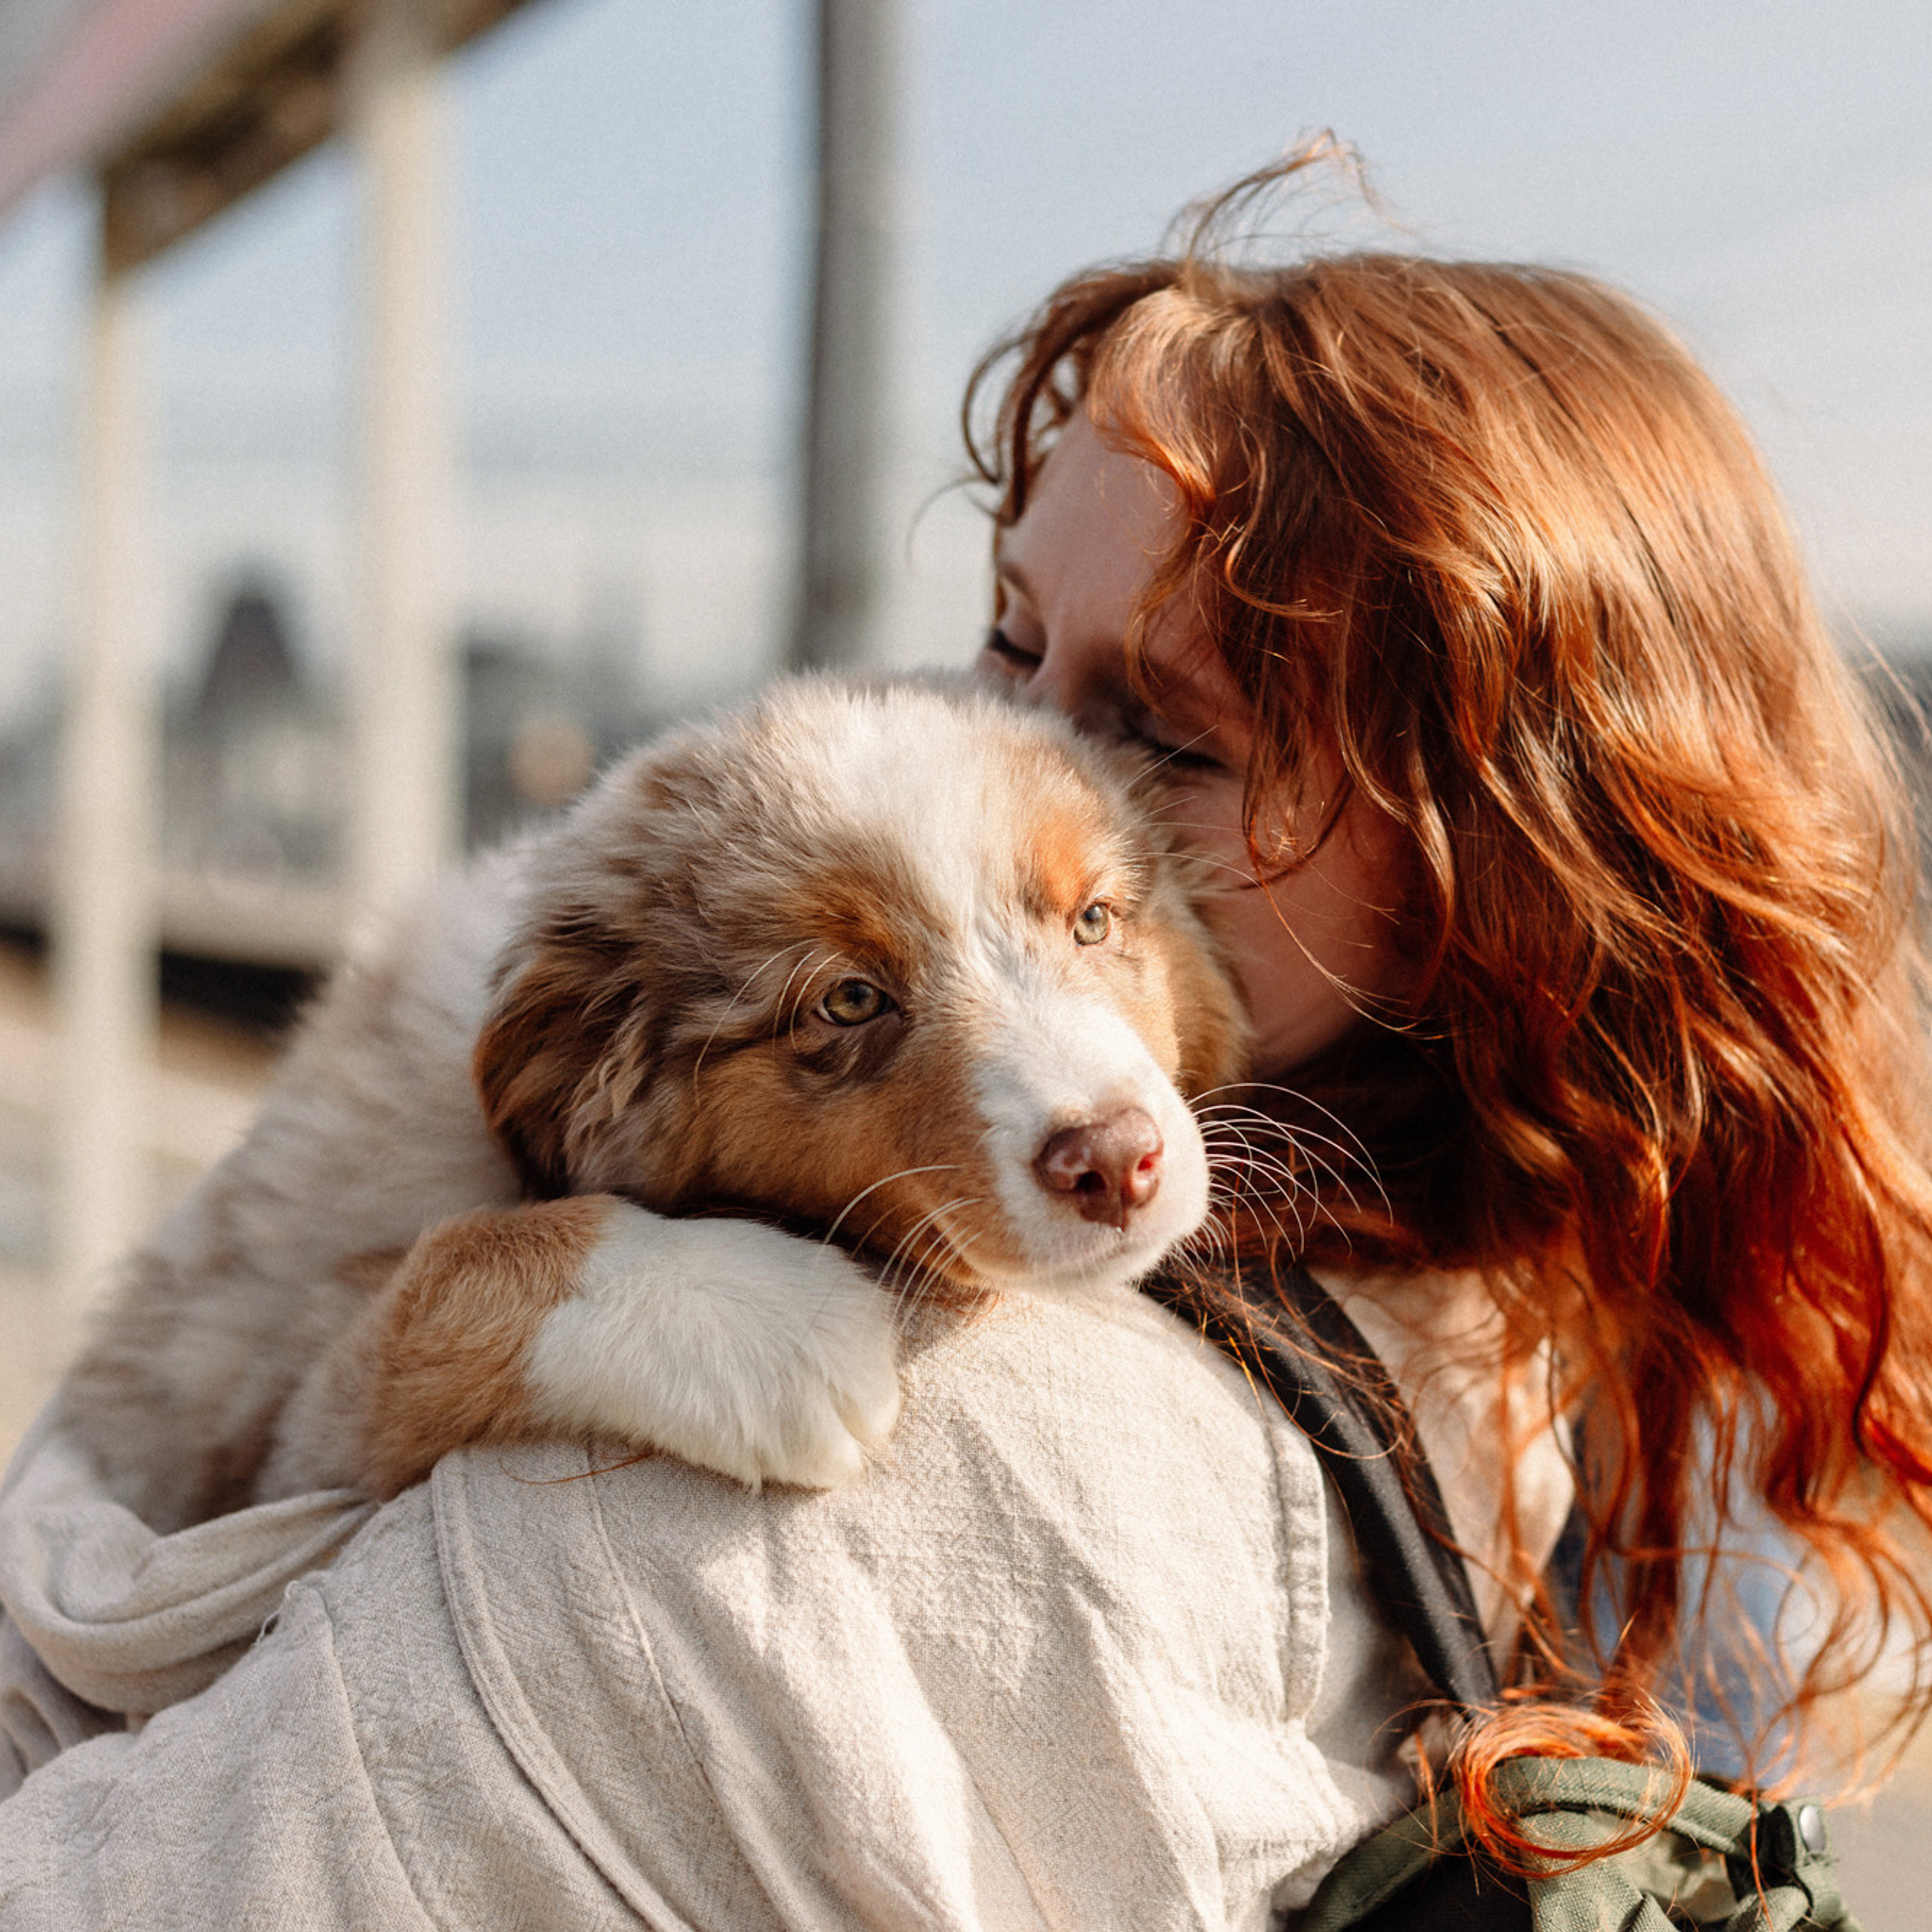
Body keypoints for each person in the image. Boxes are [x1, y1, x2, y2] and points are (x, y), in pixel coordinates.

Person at [2, 149, 1928, 1924]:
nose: (1025, 759)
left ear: (1503, 870)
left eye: (1166, 731)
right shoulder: (1611, 1329)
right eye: (1012, 643)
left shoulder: (912, 1465)